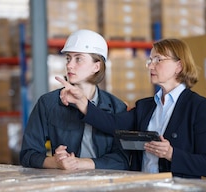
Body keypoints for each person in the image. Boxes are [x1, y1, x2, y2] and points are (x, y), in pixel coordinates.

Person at [56, 38, 206, 178]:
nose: (150, 66)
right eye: (150, 60)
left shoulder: (198, 107)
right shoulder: (145, 106)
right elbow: (113, 124)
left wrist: (171, 154)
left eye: (158, 60)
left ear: (179, 66)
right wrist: (82, 102)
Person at [20, 29, 130, 170]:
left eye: (78, 59)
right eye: (68, 58)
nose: (69, 65)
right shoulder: (48, 103)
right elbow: (27, 154)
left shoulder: (116, 107)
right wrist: (55, 162)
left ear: (96, 66)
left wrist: (80, 163)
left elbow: (122, 160)